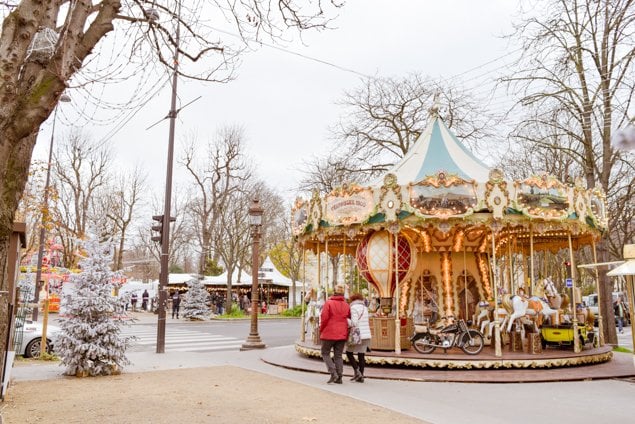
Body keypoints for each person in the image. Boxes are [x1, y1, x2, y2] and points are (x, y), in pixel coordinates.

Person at [319, 284, 350, 384]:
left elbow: (324, 318)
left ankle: (333, 373)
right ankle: (339, 376)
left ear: (334, 292)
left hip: (329, 332)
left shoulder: (329, 303)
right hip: (342, 333)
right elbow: (348, 317)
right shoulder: (346, 305)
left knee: (325, 352)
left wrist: (321, 329)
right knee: (338, 355)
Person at [345, 293, 371, 383]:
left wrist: (346, 319)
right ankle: (361, 375)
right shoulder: (365, 308)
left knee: (348, 352)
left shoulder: (353, 308)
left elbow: (354, 323)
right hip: (366, 334)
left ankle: (357, 371)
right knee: (361, 355)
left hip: (357, 334)